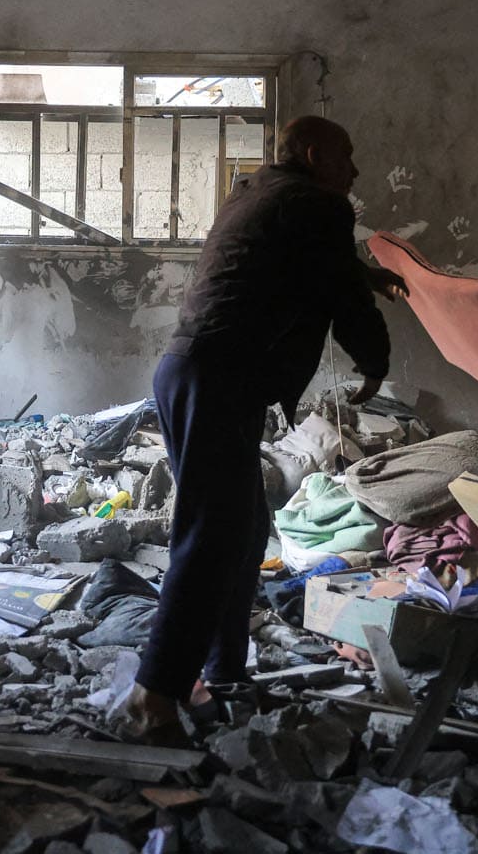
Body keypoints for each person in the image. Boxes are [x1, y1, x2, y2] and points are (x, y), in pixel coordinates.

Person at [121, 115, 407, 743]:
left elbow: (297, 262)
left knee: (245, 528)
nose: (354, 171)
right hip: (218, 380)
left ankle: (224, 670)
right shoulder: (318, 205)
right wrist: (375, 360)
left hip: (192, 375)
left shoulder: (258, 193)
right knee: (211, 535)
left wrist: (366, 272)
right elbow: (337, 291)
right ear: (313, 154)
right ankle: (152, 695)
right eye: (348, 155)